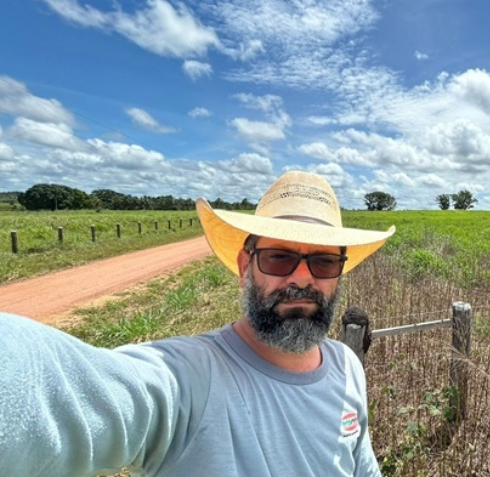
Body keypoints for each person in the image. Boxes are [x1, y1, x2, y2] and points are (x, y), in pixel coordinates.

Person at [0, 171, 395, 476]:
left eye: (324, 261)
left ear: (339, 274)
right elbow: (54, 386)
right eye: (279, 257)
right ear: (246, 267)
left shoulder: (347, 367)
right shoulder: (188, 379)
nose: (302, 279)